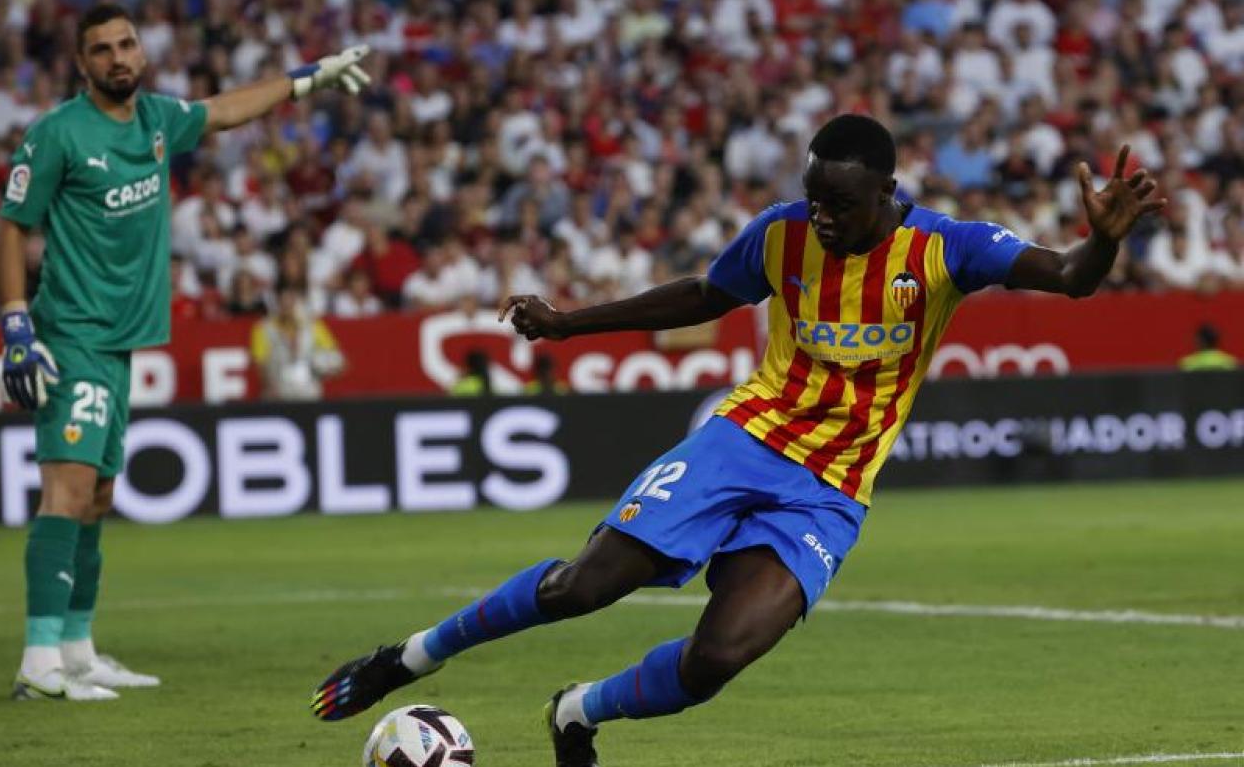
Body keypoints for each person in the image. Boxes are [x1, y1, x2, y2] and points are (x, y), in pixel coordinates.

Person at [309, 115, 1165, 766]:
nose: (821, 216)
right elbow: (703, 296)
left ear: (888, 195)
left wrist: (1100, 242)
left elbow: (1066, 280)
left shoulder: (946, 249)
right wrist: (568, 326)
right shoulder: (783, 231)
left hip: (830, 488)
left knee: (717, 658)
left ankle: (578, 712)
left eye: (841, 204)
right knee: (583, 588)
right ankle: (413, 658)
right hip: (743, 440)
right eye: (814, 196)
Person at [0, 2, 370, 701]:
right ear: (81, 64)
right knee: (67, 489)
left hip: (120, 342)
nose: (117, 58)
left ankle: (76, 651)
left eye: (126, 44)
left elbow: (227, 109)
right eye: (102, 49)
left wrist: (306, 78)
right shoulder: (57, 135)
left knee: (99, 495)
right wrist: (15, 323)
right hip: (72, 334)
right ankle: (39, 659)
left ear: (141, 52)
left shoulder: (157, 121)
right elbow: (12, 223)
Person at [250, 280, 346, 401]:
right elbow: (260, 363)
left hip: (309, 390)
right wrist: (269, 386)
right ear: (276, 302)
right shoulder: (263, 328)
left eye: (290, 300)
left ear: (296, 300)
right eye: (282, 301)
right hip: (279, 390)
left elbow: (336, 359)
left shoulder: (313, 325)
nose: (287, 306)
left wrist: (326, 368)